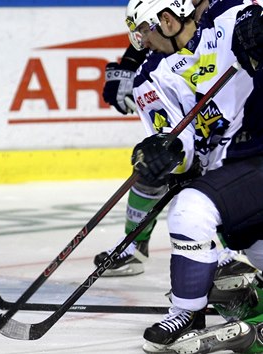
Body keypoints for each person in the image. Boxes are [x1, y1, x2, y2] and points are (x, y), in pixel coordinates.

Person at [120, 0, 263, 352]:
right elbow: (182, 151)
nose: (141, 42)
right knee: (209, 232)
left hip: (253, 158)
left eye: (144, 31)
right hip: (229, 180)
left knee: (190, 209)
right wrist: (164, 153)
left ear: (167, 20)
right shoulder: (151, 79)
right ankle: (203, 311)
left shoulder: (232, 19)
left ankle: (188, 308)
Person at [95, 0, 213, 277]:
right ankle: (135, 244)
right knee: (158, 162)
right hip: (214, 136)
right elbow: (160, 21)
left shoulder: (226, 26)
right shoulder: (154, 73)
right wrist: (130, 63)